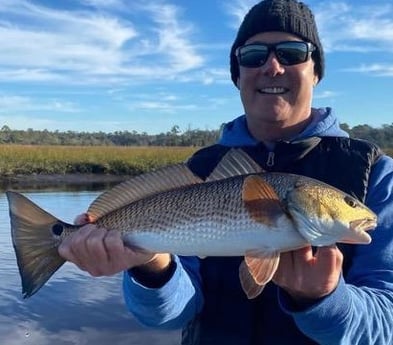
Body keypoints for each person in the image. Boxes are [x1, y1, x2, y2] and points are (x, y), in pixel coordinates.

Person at [58, 0, 393, 344]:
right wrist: (152, 265)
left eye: (292, 53)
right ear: (237, 75)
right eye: (253, 56)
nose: (272, 67)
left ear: (316, 71)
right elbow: (166, 318)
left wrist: (323, 300)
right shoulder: (202, 169)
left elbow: (387, 324)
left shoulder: (375, 174)